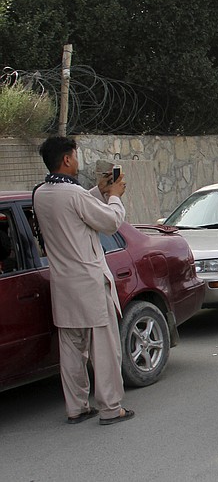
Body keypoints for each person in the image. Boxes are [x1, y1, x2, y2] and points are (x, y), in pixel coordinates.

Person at [33, 136, 135, 425]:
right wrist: (114, 195)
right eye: (75, 156)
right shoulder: (74, 194)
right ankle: (111, 408)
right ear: (67, 159)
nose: (77, 162)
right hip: (89, 282)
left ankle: (76, 407)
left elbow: (73, 208)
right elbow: (110, 222)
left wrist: (97, 191)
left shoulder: (41, 193)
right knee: (104, 349)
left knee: (71, 351)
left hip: (63, 285)